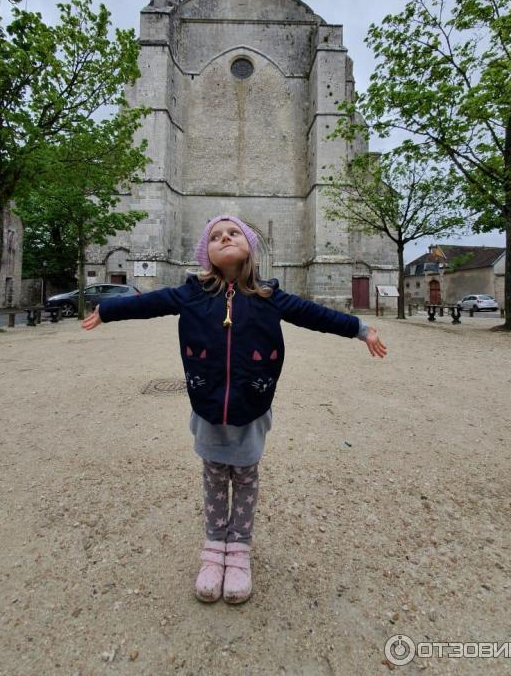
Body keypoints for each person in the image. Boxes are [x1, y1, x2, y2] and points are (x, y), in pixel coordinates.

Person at [81, 215, 387, 605]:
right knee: (212, 476)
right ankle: (213, 549)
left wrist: (361, 329)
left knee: (244, 477)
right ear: (206, 254)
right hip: (208, 403)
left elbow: (316, 315)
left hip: (251, 404)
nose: (224, 237)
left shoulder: (269, 296)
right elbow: (149, 303)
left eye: (233, 232)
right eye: (214, 235)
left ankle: (239, 550)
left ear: (250, 246)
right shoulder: (190, 294)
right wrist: (107, 311)